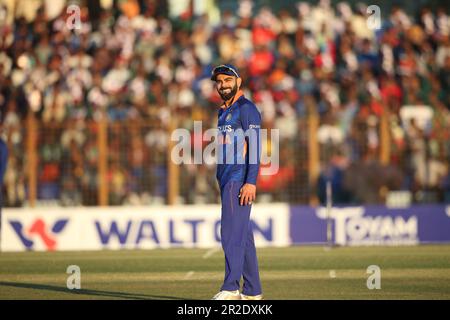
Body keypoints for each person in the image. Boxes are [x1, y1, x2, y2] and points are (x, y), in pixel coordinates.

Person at [210, 64, 263, 300]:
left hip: (238, 179)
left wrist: (250, 182)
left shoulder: (247, 109)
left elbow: (255, 148)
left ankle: (231, 287)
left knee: (231, 232)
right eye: (219, 82)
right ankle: (253, 291)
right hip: (225, 178)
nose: (223, 85)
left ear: (238, 82)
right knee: (243, 235)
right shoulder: (223, 111)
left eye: (227, 81)